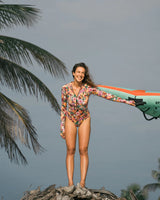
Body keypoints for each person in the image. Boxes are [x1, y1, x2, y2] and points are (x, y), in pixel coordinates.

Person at [60, 62, 135, 194]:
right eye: (78, 72)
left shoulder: (89, 88)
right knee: (70, 150)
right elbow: (63, 108)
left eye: (82, 73)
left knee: (83, 150)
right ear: (73, 73)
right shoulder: (65, 88)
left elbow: (108, 96)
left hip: (84, 118)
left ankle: (82, 183)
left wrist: (128, 101)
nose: (80, 75)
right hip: (70, 119)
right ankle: (70, 183)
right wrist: (62, 127)